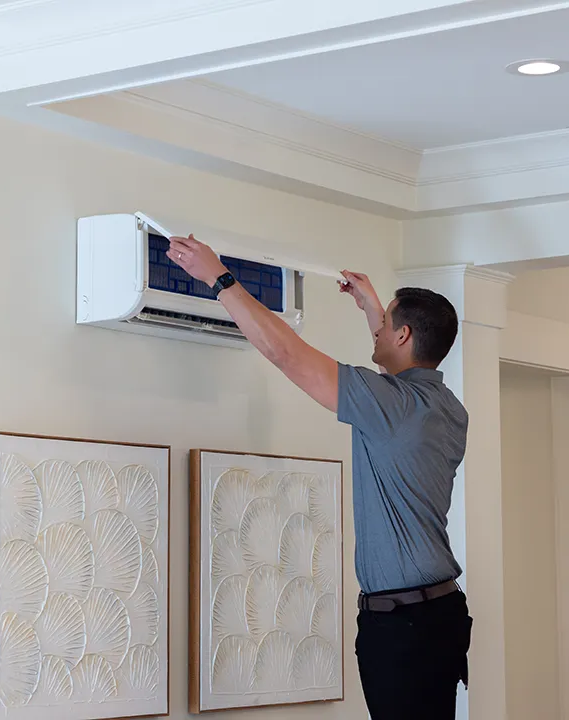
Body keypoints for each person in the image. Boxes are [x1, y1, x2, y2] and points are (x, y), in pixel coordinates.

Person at [167, 234, 473, 720]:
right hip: (437, 615)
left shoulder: (392, 406)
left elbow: (287, 354)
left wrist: (218, 279)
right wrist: (373, 310)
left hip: (405, 627)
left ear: (403, 336)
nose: (378, 330)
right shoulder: (446, 408)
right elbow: (397, 374)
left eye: (386, 324)